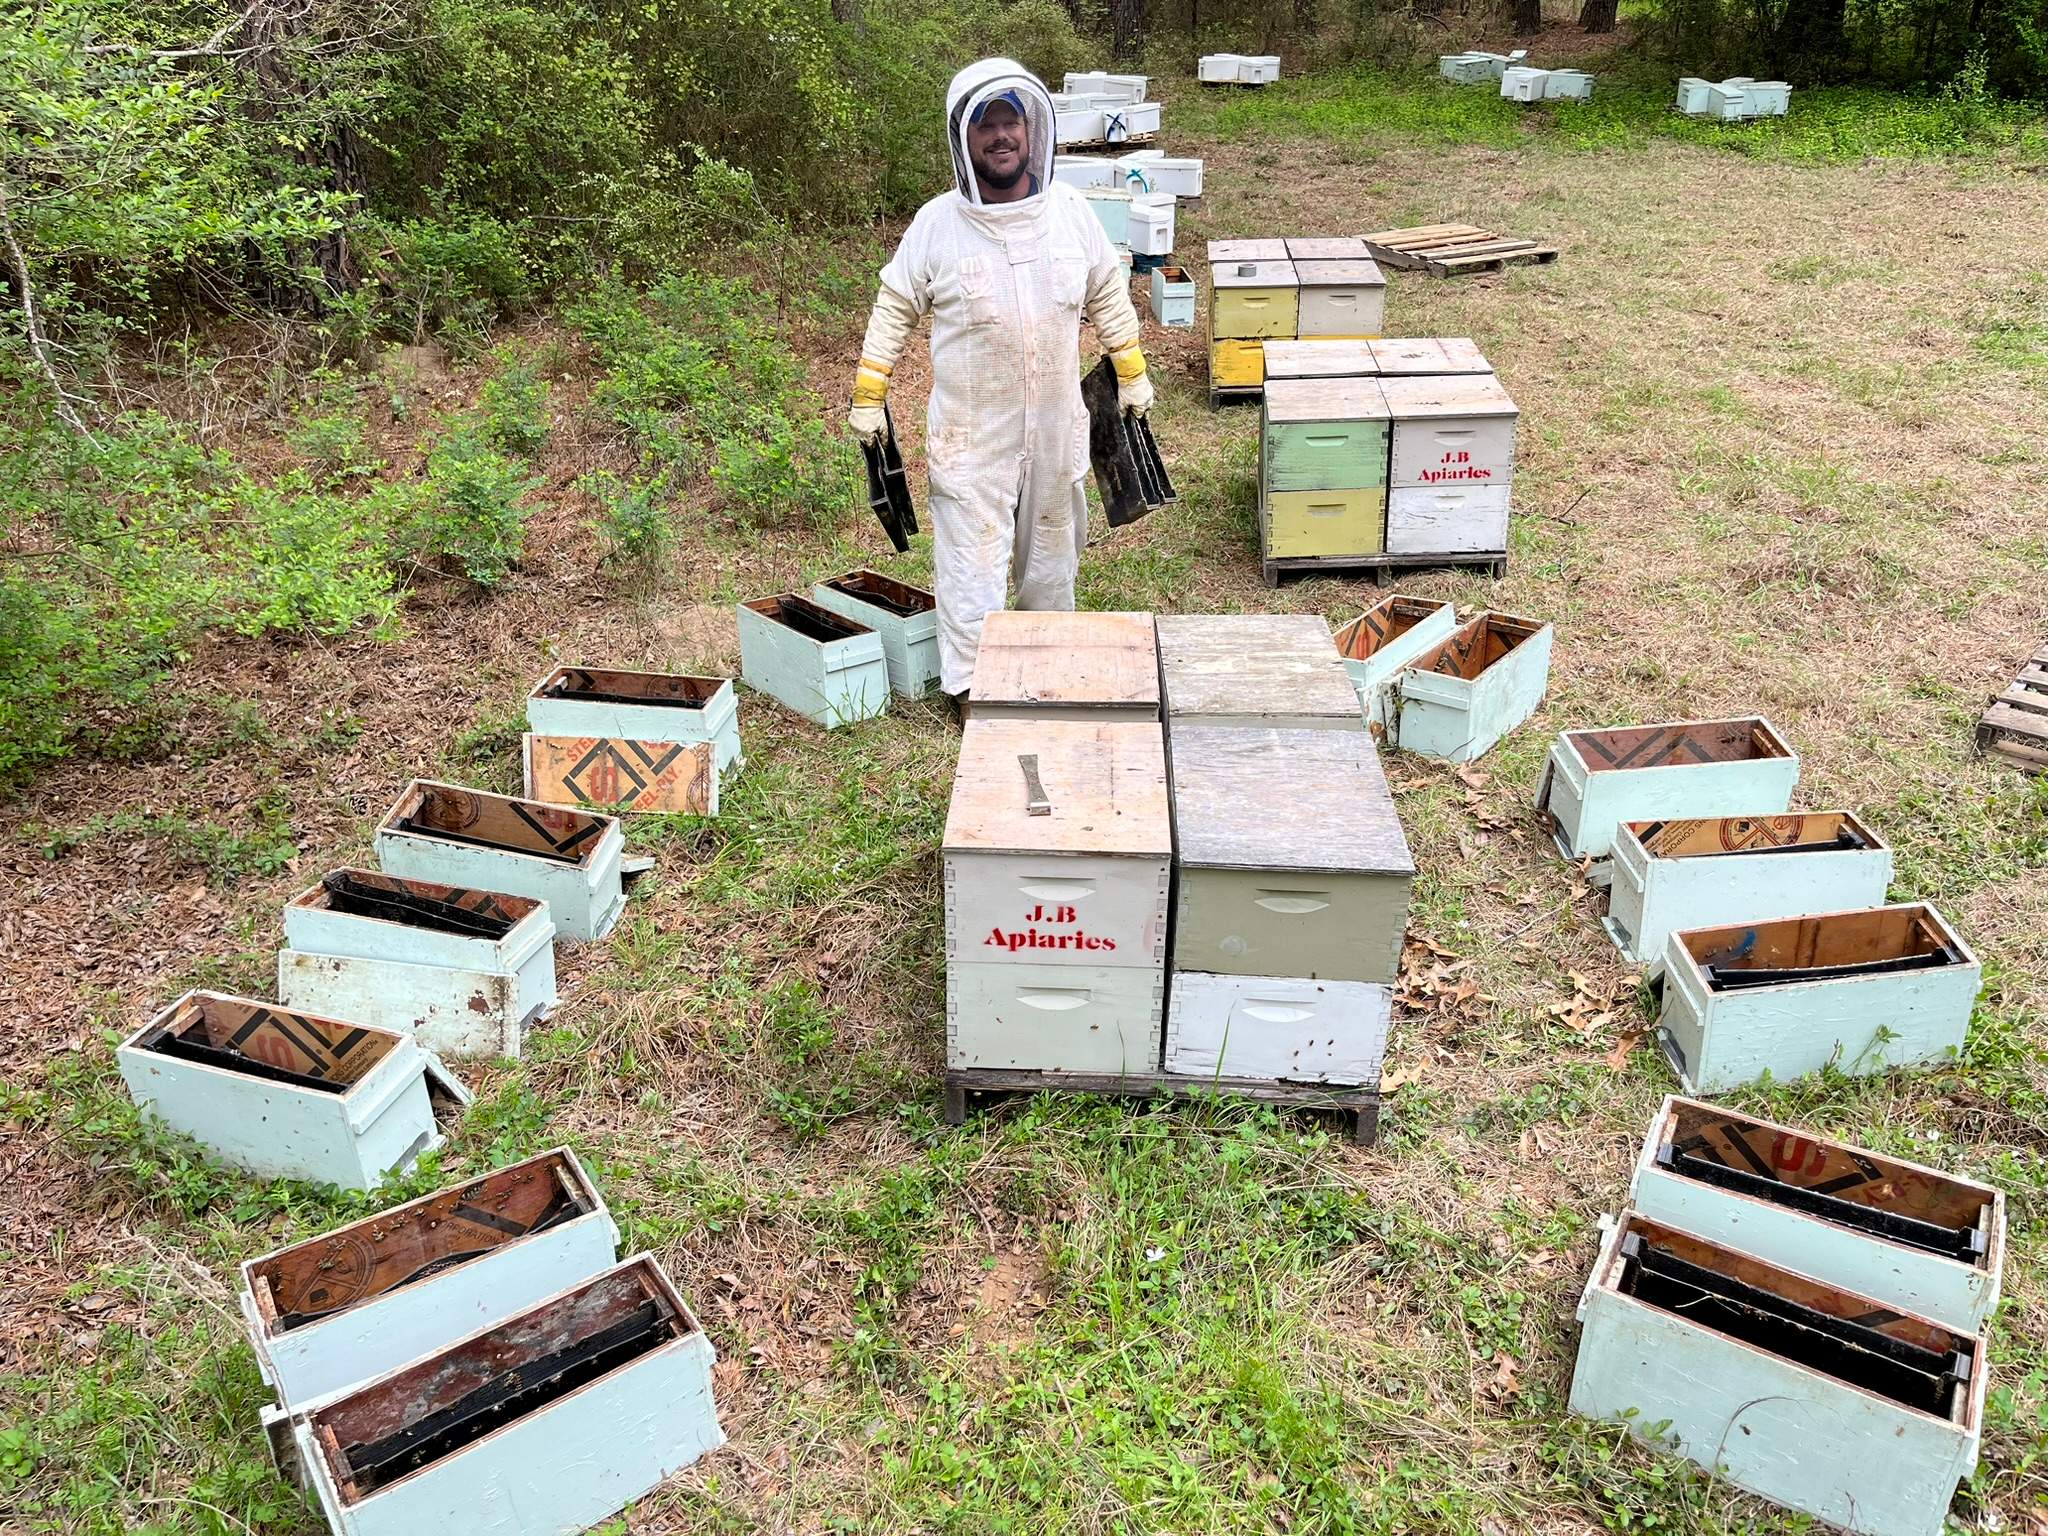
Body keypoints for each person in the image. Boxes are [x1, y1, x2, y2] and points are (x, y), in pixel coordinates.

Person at [845, 57, 1154, 715]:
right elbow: (896, 303)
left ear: (1032, 129)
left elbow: (1106, 290)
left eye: (1011, 120)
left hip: (1057, 428)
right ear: (964, 137)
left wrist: (1130, 369)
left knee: (1051, 559)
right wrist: (870, 394)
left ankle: (1051, 674)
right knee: (970, 571)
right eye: (985, 124)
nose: (1001, 136)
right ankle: (973, 695)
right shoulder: (937, 224)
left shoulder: (1070, 212)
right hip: (972, 434)